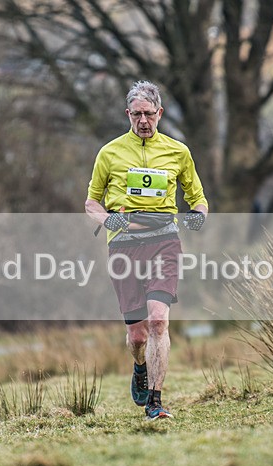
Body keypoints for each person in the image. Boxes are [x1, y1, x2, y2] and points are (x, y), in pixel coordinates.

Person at [85, 80, 209, 420]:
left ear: (160, 114)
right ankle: (139, 366)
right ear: (128, 114)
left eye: (149, 114)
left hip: (164, 241)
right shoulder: (109, 153)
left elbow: (198, 199)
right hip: (124, 246)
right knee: (137, 335)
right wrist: (108, 220)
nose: (143, 121)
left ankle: (155, 402)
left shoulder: (178, 152)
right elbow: (92, 203)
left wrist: (198, 215)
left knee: (158, 321)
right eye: (137, 114)